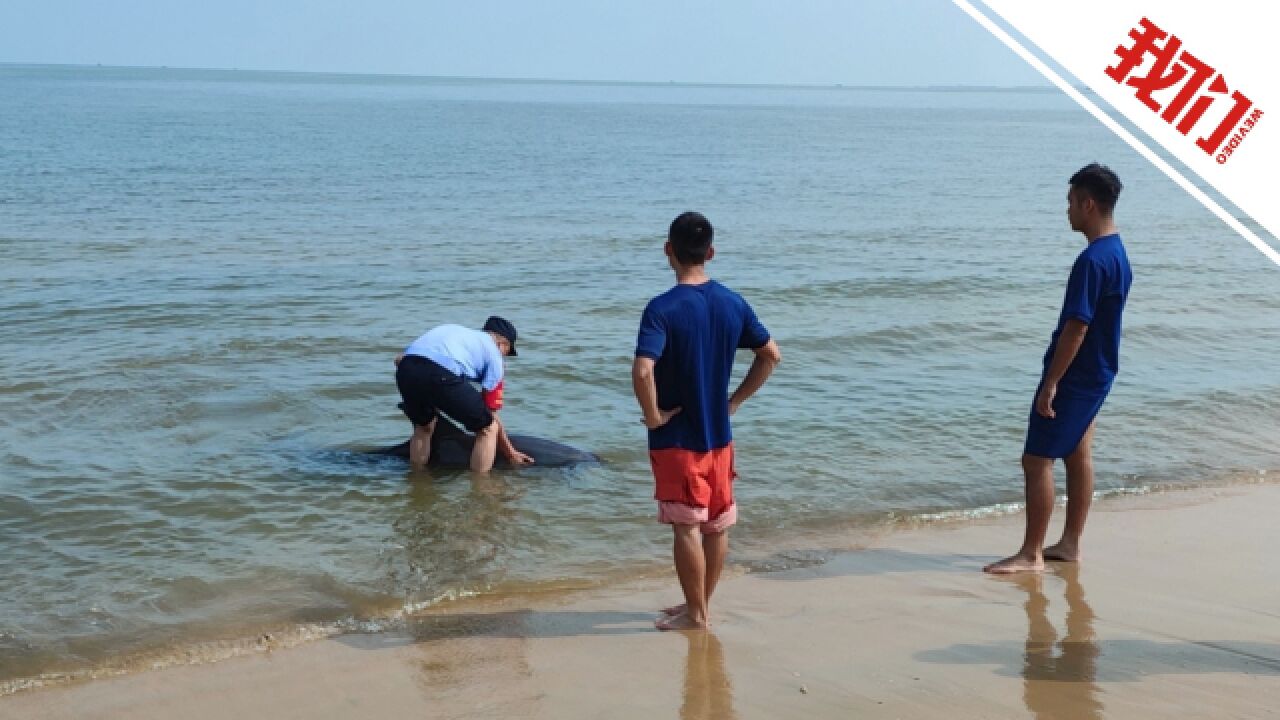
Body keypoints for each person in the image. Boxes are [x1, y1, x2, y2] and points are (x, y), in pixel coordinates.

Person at [633, 211, 781, 630]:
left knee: (686, 528)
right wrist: (734, 401)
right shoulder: (733, 302)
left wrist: (653, 416)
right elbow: (771, 354)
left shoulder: (662, 308)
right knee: (716, 527)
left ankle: (695, 614)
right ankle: (699, 606)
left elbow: (643, 370)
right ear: (710, 253)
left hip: (677, 439)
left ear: (668, 251)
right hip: (719, 438)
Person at [985, 164, 1133, 574]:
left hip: (1077, 375)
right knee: (1078, 450)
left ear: (1088, 204)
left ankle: (1031, 553)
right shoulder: (1118, 253)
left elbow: (1077, 326)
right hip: (1101, 371)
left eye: (1070, 202)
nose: (1066, 211)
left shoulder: (1091, 260)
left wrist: (1051, 382)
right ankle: (1069, 544)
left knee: (1037, 460)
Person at [394, 316, 534, 472]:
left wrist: (432, 393)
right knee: (488, 428)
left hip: (406, 369)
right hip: (440, 374)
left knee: (424, 426)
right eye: (507, 352)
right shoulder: (494, 355)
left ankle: (417, 478)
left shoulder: (452, 330)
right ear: (503, 345)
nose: (504, 357)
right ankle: (481, 488)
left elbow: (399, 360)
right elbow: (490, 411)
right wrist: (510, 452)